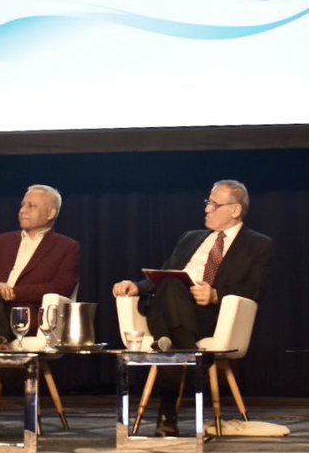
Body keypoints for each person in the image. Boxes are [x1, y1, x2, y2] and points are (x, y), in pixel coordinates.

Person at [112, 179, 273, 437]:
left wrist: (216, 294)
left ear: (235, 210)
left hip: (210, 317)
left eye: (214, 204)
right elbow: (162, 276)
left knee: (172, 304)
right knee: (173, 283)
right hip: (168, 308)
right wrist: (136, 286)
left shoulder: (258, 244)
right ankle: (192, 355)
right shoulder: (191, 238)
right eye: (207, 202)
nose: (207, 209)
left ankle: (168, 406)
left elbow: (256, 290)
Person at [0, 184, 80, 439]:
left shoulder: (66, 247)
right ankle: (2, 349)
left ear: (50, 213)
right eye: (23, 204)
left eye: (32, 206)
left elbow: (62, 288)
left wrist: (11, 291)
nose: (23, 210)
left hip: (28, 314)